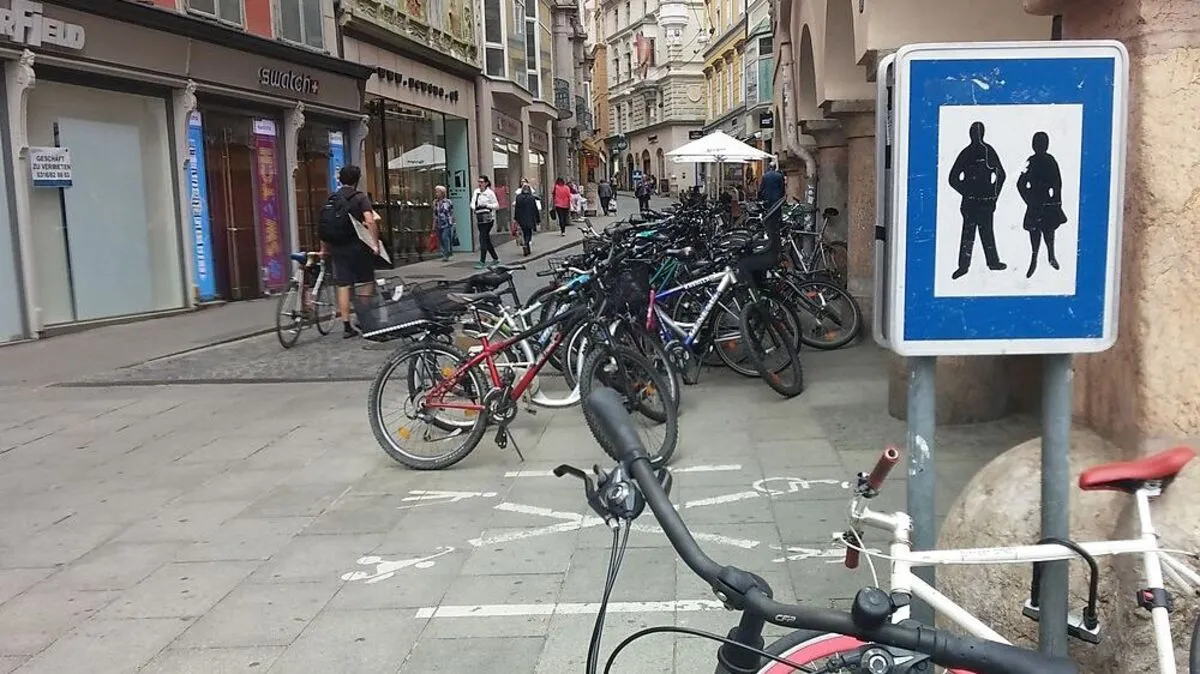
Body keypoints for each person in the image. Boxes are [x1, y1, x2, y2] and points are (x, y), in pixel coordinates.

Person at [318, 165, 379, 339]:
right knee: (366, 282)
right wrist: (374, 244)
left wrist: (324, 248)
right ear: (357, 179)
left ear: (340, 179)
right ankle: (363, 317)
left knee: (343, 284)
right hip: (359, 246)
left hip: (338, 247)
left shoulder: (331, 198)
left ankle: (346, 325)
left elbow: (324, 224)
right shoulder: (360, 198)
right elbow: (370, 220)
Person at [948, 121, 1007, 279]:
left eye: (979, 133)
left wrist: (994, 194)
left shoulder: (988, 152)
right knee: (968, 234)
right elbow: (953, 178)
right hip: (971, 202)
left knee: (987, 233)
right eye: (975, 133)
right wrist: (966, 192)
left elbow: (1001, 174)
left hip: (985, 201)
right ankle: (963, 266)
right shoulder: (966, 153)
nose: (977, 137)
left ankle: (993, 262)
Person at [1017, 131, 1067, 278]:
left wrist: (1057, 202)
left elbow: (1057, 183)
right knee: (1034, 232)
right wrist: (1028, 198)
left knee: (1049, 231)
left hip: (1047, 202)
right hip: (1034, 202)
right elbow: (1020, 183)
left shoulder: (1051, 161)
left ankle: (1051, 256)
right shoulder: (1030, 161)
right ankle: (1034, 259)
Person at [472, 175, 501, 268]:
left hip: (488, 219)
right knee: (486, 239)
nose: (480, 184)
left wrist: (487, 205)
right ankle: (495, 258)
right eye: (479, 182)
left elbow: (496, 205)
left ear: (486, 183)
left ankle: (482, 261)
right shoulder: (476, 192)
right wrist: (475, 206)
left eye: (481, 182)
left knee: (482, 238)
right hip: (479, 218)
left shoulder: (490, 193)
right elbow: (472, 203)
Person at [513, 183, 540, 256]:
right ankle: (526, 244)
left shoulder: (518, 197)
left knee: (525, 232)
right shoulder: (531, 198)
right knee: (529, 233)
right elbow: (535, 209)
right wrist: (537, 219)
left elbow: (516, 209)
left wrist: (516, 218)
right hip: (530, 218)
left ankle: (527, 248)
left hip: (521, 219)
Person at [433, 185, 455, 262]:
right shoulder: (435, 202)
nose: (436, 193)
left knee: (444, 237)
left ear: (442, 193)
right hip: (439, 222)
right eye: (436, 192)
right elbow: (435, 214)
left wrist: (453, 222)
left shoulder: (448, 202)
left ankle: (447, 253)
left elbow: (451, 212)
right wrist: (433, 224)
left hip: (447, 222)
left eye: (438, 192)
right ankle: (444, 253)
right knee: (440, 239)